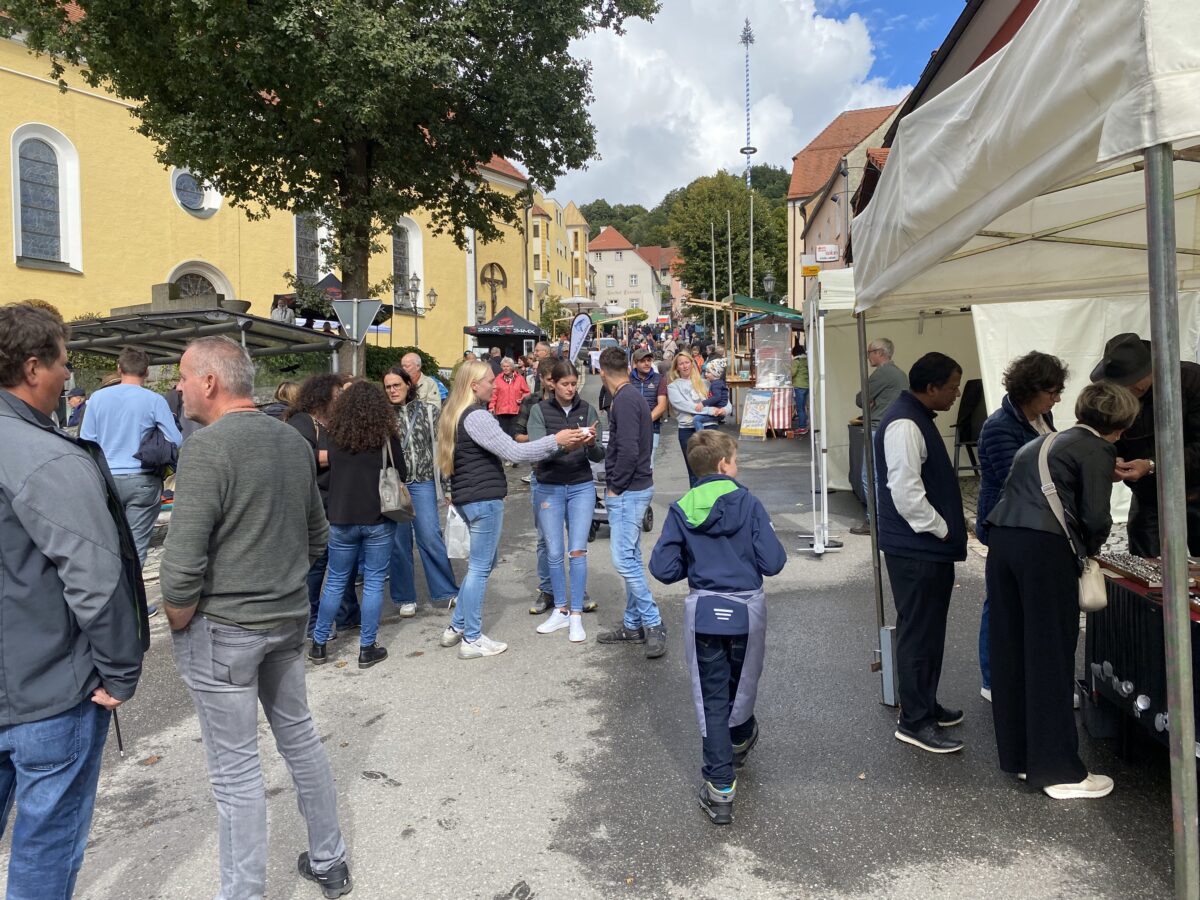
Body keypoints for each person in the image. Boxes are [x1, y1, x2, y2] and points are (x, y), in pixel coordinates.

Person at [160, 336, 351, 900]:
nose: (178, 385)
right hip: (286, 619)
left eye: (184, 376)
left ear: (210, 382)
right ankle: (330, 859)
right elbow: (317, 537)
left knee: (236, 772)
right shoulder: (292, 442)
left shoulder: (207, 448)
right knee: (300, 739)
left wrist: (180, 619)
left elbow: (181, 564)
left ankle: (243, 892)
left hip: (224, 629)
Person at [0, 302, 146, 897]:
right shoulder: (45, 456)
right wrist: (121, 670)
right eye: (63, 363)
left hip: (28, 682)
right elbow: (96, 577)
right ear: (34, 368)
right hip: (48, 694)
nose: (70, 376)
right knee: (45, 847)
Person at [986, 382, 1139, 799]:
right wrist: (1090, 554)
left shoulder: (1046, 440)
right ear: (1123, 424)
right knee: (1050, 654)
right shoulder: (1097, 449)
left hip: (1003, 542)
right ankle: (1058, 770)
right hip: (1044, 549)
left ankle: (1021, 757)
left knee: (1013, 650)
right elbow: (1094, 517)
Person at [649, 430, 786, 825]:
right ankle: (740, 738)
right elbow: (773, 562)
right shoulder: (750, 504)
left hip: (705, 609)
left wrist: (698, 563)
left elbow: (663, 568)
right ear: (725, 465)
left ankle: (720, 788)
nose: (737, 467)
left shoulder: (682, 509)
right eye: (736, 461)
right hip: (748, 609)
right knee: (741, 686)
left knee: (711, 697)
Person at [437, 361, 585, 659]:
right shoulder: (476, 416)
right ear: (473, 385)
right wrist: (556, 441)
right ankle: (473, 638)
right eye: (490, 380)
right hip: (483, 498)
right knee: (480, 568)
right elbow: (513, 451)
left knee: (483, 564)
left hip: (469, 496)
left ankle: (457, 626)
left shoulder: (454, 413)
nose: (495, 385)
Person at [874, 352, 967, 754]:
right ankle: (915, 720)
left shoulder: (914, 417)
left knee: (928, 631)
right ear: (931, 388)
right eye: (952, 386)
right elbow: (907, 494)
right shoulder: (905, 424)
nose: (957, 393)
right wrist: (943, 529)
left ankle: (925, 704)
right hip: (918, 548)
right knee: (918, 633)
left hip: (924, 547)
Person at [975, 351, 1068, 701]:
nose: (1057, 398)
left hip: (1035, 524)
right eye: (1052, 391)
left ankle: (1024, 676)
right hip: (1007, 523)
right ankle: (993, 678)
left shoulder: (1042, 417)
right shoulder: (999, 426)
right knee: (999, 603)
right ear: (1031, 389)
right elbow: (1015, 479)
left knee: (1020, 603)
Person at [307, 382, 405, 669]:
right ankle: (367, 648)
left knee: (335, 580)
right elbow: (403, 471)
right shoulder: (385, 436)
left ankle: (319, 643)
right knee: (374, 582)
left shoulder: (335, 435)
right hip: (378, 516)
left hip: (340, 516)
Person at [80, 346, 182, 617]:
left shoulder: (97, 400)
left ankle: (107, 602)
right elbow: (176, 439)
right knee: (136, 546)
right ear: (147, 372)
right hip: (142, 480)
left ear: (119, 369)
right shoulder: (154, 400)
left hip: (106, 481)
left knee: (109, 541)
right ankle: (134, 606)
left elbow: (87, 440)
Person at [1090, 332, 1200, 556]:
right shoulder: (1115, 393)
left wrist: (1152, 464)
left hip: (1196, 492)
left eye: (1133, 385)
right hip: (1149, 497)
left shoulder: (1191, 380)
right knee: (1143, 571)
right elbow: (1108, 436)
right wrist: (1113, 458)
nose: (1128, 391)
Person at [596, 347, 668, 659]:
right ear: (626, 368)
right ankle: (632, 624)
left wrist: (614, 487)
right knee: (632, 558)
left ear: (601, 373)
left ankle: (653, 622)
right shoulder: (633, 397)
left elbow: (625, 450)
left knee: (624, 560)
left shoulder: (623, 401)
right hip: (638, 486)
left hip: (628, 490)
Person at [528, 360, 606, 643]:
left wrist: (590, 444)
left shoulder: (587, 410)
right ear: (553, 384)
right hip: (548, 486)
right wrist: (564, 443)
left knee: (577, 550)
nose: (571, 389)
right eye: (565, 384)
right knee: (553, 551)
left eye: (574, 384)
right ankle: (559, 609)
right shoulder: (539, 411)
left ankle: (575, 614)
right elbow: (537, 452)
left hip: (580, 486)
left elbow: (599, 456)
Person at [286, 373, 359, 637]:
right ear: (322, 396)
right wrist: (344, 455)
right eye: (337, 395)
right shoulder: (302, 422)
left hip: (340, 502)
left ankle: (348, 616)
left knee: (345, 564)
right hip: (315, 504)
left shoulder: (335, 424)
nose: (340, 400)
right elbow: (304, 456)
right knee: (317, 566)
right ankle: (314, 622)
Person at [383, 366, 459, 616]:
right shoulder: (382, 416)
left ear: (408, 384)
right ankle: (405, 597)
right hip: (397, 484)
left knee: (429, 536)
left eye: (397, 385)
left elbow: (443, 450)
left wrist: (447, 486)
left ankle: (446, 591)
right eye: (388, 387)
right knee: (399, 542)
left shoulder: (428, 411)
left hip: (424, 481)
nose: (392, 390)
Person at [850, 337, 909, 535]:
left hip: (877, 428)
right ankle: (886, 518)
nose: (868, 357)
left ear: (880, 353)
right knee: (887, 476)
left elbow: (860, 398)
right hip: (892, 428)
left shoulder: (882, 373)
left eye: (870, 352)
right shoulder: (900, 374)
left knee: (869, 476)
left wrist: (869, 401)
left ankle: (873, 520)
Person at [667, 351, 730, 488]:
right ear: (676, 367)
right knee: (695, 471)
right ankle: (697, 504)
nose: (684, 366)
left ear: (692, 363)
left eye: (687, 362)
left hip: (710, 428)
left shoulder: (707, 382)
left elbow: (724, 400)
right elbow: (685, 406)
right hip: (688, 430)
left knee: (715, 468)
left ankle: (714, 503)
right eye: (681, 363)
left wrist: (725, 410)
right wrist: (711, 410)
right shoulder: (673, 387)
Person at [630, 348, 667, 469]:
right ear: (636, 363)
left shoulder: (659, 379)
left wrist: (645, 421)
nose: (647, 363)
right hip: (631, 428)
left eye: (649, 360)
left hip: (652, 428)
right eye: (643, 361)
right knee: (630, 463)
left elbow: (661, 405)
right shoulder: (627, 379)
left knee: (648, 465)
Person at [489, 356, 530, 444]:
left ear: (512, 367)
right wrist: (491, 406)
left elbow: (527, 392)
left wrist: (522, 398)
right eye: (503, 366)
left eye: (507, 366)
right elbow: (494, 394)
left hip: (515, 410)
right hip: (501, 411)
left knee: (514, 434)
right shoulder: (498, 379)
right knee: (503, 434)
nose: (505, 368)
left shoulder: (519, 378)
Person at [692, 362, 729, 431]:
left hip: (717, 411)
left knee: (697, 419)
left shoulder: (716, 384)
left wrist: (703, 403)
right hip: (718, 410)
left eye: (708, 372)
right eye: (706, 372)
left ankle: (701, 437)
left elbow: (716, 397)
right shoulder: (719, 382)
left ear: (715, 373)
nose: (706, 374)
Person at [790, 340, 809, 434]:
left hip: (799, 386)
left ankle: (802, 427)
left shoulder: (796, 361)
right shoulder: (806, 360)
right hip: (806, 386)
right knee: (804, 407)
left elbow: (792, 373)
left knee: (800, 408)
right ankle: (805, 425)